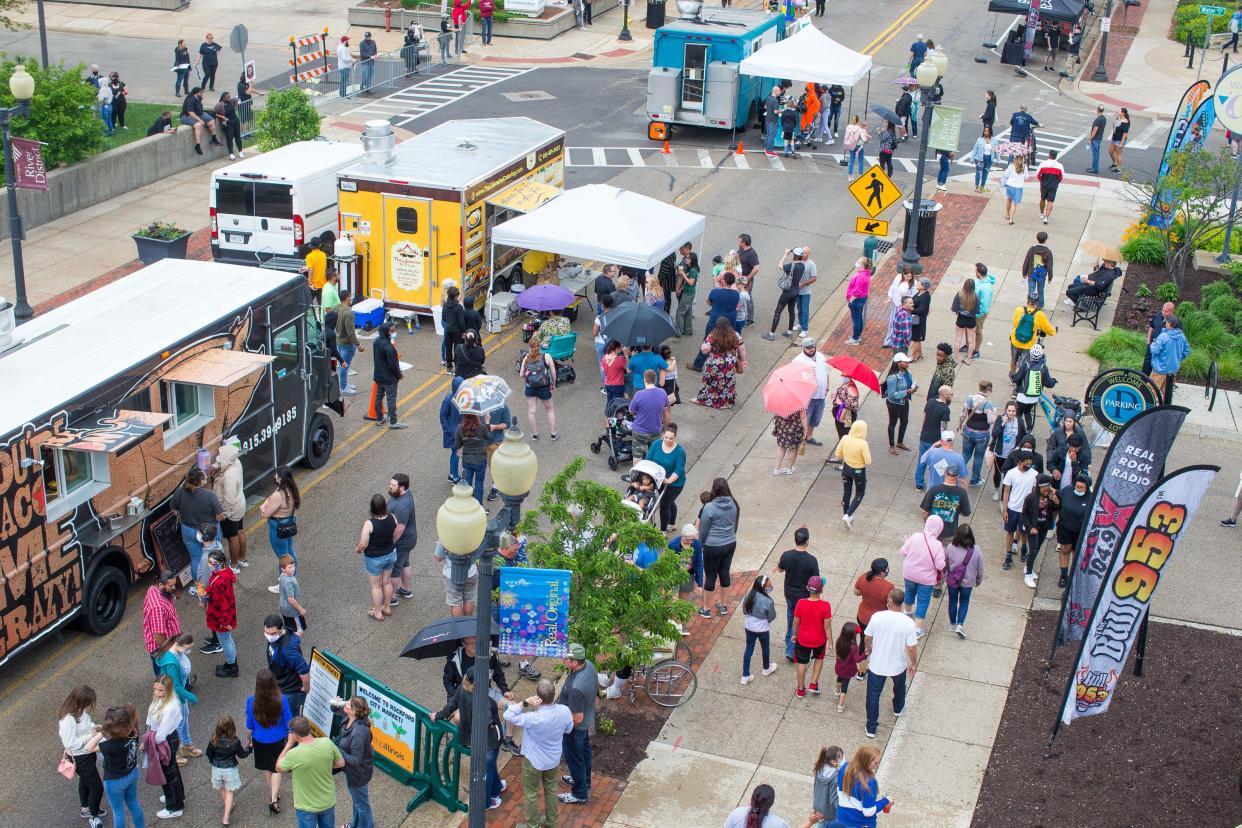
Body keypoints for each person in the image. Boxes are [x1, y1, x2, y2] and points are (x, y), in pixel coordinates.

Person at [504, 680, 574, 826]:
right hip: (553, 760)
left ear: (538, 697)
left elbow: (508, 715)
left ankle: (533, 826)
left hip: (533, 762)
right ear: (554, 695)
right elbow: (568, 729)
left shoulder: (532, 718)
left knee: (531, 794)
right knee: (551, 791)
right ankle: (551, 822)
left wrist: (525, 703)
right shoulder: (565, 711)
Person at [862, 588, 918, 739]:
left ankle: (871, 727)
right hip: (897, 664)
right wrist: (913, 663)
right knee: (899, 688)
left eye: (888, 599)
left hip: (877, 664)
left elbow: (867, 637)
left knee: (873, 696)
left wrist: (868, 648)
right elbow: (911, 648)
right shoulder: (908, 623)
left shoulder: (877, 617)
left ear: (891, 602)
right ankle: (898, 708)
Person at [276, 716, 345, 827]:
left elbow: (278, 767)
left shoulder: (294, 754)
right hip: (327, 801)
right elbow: (341, 763)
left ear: (295, 735)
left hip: (306, 807)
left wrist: (288, 744)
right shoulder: (327, 743)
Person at [87, 704, 143, 828]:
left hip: (115, 781)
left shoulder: (110, 746)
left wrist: (102, 732)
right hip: (132, 773)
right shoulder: (134, 732)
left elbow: (88, 747)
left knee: (118, 811)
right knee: (133, 802)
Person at [246, 669, 293, 815]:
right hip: (278, 740)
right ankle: (273, 798)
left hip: (259, 739)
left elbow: (249, 727)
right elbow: (289, 724)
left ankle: (273, 792)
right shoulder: (282, 699)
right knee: (277, 768)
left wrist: (249, 739)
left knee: (266, 767)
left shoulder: (251, 701)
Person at [170, 466, 223, 592]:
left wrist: (181, 517)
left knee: (196, 559)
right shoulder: (210, 495)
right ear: (201, 481)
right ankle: (217, 582)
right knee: (215, 556)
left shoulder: (180, 492)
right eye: (204, 477)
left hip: (188, 531)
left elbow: (173, 508)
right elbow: (219, 517)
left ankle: (199, 589)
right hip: (209, 531)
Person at [557, 643, 598, 805]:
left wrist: (564, 727)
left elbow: (577, 718)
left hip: (575, 728)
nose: (564, 659)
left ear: (575, 662)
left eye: (567, 658)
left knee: (575, 760)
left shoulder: (576, 688)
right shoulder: (589, 665)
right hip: (586, 722)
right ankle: (585, 780)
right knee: (585, 752)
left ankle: (579, 794)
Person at [59, 686, 105, 826]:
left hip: (87, 753)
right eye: (88, 702)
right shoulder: (69, 720)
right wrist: (89, 736)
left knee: (85, 781)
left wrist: (94, 727)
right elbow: (70, 744)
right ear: (81, 702)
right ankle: (94, 815)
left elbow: (86, 724)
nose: (90, 706)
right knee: (97, 788)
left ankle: (86, 809)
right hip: (80, 758)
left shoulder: (80, 712)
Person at [145, 675, 186, 819]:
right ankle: (178, 797)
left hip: (165, 739)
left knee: (168, 772)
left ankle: (174, 806)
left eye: (161, 690)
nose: (157, 693)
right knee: (172, 768)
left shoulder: (170, 707)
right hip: (165, 738)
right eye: (156, 689)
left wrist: (148, 742)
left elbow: (161, 736)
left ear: (167, 690)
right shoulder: (164, 700)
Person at [356, 494, 401, 621]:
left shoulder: (369, 523)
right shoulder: (392, 517)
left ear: (372, 508)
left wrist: (358, 549)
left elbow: (363, 543)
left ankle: (378, 612)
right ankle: (386, 607)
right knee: (386, 582)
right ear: (384, 506)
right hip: (390, 554)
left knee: (376, 586)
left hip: (375, 559)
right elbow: (395, 532)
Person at [777, 527, 820, 661]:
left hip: (789, 593)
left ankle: (788, 637)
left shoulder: (786, 555)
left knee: (791, 616)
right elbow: (816, 581)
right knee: (798, 622)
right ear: (807, 541)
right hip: (803, 596)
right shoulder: (811, 560)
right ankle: (790, 649)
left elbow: (780, 569)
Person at [699, 478, 740, 617]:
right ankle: (723, 606)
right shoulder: (734, 504)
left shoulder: (709, 507)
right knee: (724, 573)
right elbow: (735, 525)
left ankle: (706, 608)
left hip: (713, 545)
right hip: (730, 543)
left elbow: (704, 529)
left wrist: (702, 544)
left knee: (710, 576)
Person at [899, 516, 944, 637]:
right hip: (926, 579)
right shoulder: (938, 545)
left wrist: (907, 543)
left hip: (909, 573)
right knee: (923, 601)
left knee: (909, 592)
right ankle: (917, 629)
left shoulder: (915, 536)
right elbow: (940, 565)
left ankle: (907, 613)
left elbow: (903, 552)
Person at [791, 575, 833, 699]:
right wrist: (830, 642)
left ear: (808, 588)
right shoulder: (826, 605)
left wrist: (794, 634)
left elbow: (795, 622)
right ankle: (814, 684)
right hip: (819, 640)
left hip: (803, 639)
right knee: (819, 659)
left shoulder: (800, 603)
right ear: (821, 590)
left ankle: (800, 689)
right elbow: (827, 627)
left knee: (801, 664)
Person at [335, 696, 375, 828]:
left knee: (362, 805)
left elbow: (356, 760)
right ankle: (354, 824)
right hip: (352, 772)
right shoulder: (351, 717)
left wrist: (340, 752)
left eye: (348, 704)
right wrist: (334, 705)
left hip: (358, 774)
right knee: (357, 801)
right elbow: (336, 710)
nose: (345, 703)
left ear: (353, 711)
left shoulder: (358, 733)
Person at [205, 715, 250, 826]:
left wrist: (213, 761)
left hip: (216, 768)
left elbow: (208, 753)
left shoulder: (213, 739)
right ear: (232, 727)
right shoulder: (234, 741)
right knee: (230, 792)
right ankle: (226, 817)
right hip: (230, 769)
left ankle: (229, 804)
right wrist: (250, 747)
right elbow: (242, 754)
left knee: (222, 789)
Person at [261, 466, 300, 592]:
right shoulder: (290, 488)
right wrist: (268, 501)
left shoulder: (279, 494)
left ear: (280, 478)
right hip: (288, 523)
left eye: (276, 475)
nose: (274, 476)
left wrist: (262, 508)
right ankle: (292, 574)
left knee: (283, 557)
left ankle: (284, 584)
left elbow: (266, 514)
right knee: (289, 551)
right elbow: (272, 496)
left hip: (277, 527)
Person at [694, 317, 747, 409]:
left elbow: (704, 349)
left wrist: (704, 347)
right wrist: (743, 360)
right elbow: (742, 349)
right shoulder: (736, 335)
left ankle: (704, 399)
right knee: (727, 383)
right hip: (729, 365)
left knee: (709, 382)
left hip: (713, 364)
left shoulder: (712, 335)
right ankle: (726, 403)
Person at [264, 615, 311, 715]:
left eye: (272, 633)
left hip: (288, 690)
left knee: (291, 719)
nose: (269, 636)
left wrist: (306, 688)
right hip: (279, 683)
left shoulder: (288, 649)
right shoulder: (279, 635)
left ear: (281, 629)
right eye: (266, 632)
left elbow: (304, 670)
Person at [203, 550, 239, 678]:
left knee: (225, 641)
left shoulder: (220, 580)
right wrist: (206, 591)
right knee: (228, 639)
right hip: (224, 615)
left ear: (221, 563)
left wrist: (224, 622)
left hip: (220, 617)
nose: (211, 564)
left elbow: (223, 605)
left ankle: (232, 666)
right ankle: (232, 662)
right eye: (209, 562)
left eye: (214, 563)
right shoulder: (223, 573)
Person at [1001, 451, 1039, 571]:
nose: (1028, 465)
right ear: (1020, 462)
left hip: (1026, 510)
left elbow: (1035, 492)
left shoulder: (1034, 474)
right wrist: (1005, 509)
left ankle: (1023, 547)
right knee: (1010, 532)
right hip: (1012, 508)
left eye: (1030, 463)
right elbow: (1006, 491)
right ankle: (1008, 555)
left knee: (1024, 532)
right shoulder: (1011, 473)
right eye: (1026, 463)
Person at [738, 573, 779, 684]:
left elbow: (744, 610)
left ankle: (745, 675)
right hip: (762, 629)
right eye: (769, 585)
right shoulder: (768, 601)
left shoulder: (748, 595)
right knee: (765, 648)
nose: (770, 587)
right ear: (763, 587)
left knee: (749, 649)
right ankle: (766, 668)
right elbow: (772, 616)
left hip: (749, 627)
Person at [1021, 474, 1061, 588]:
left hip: (1044, 526)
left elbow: (1057, 509)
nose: (1046, 490)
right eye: (1044, 487)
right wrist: (1030, 527)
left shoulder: (1050, 497)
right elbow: (1024, 515)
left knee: (1037, 548)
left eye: (1048, 487)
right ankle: (1028, 574)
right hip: (1033, 527)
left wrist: (1056, 501)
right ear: (1038, 487)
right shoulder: (1030, 498)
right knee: (1033, 549)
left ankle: (1029, 566)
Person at [835, 744, 891, 825]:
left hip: (841, 819)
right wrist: (886, 800)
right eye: (875, 763)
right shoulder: (870, 782)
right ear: (866, 761)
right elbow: (868, 812)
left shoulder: (844, 768)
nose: (877, 765)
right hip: (862, 823)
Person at [645, 423, 687, 531]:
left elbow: (678, 470)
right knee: (670, 502)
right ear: (663, 435)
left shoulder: (679, 451)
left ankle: (662, 530)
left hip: (674, 483)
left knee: (664, 504)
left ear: (675, 437)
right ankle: (672, 524)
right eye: (666, 437)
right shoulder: (656, 444)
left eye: (671, 438)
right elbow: (649, 459)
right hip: (659, 479)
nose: (668, 440)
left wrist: (668, 481)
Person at [628, 369, 671, 468]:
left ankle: (636, 478)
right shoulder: (662, 393)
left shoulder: (639, 394)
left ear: (645, 380)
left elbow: (631, 411)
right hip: (655, 430)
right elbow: (666, 410)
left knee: (637, 455)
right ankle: (651, 475)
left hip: (639, 431)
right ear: (655, 380)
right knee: (653, 455)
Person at [1055, 473, 1092, 587]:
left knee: (1077, 554)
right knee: (1065, 550)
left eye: (1081, 488)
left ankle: (1074, 576)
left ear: (1087, 488)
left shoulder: (1092, 498)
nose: (1078, 489)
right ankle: (1064, 575)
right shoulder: (1067, 491)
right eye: (1077, 486)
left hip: (1081, 532)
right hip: (1065, 528)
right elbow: (1056, 495)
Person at [142, 571, 181, 676]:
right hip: (161, 647)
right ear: (160, 584)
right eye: (171, 585)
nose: (174, 587)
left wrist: (174, 592)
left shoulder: (154, 589)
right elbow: (158, 635)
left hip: (168, 641)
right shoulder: (157, 607)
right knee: (165, 677)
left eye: (174, 584)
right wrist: (168, 651)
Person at [958, 381, 996, 487]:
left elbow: (963, 415)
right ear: (987, 390)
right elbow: (990, 421)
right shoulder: (988, 404)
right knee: (978, 457)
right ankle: (975, 479)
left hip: (968, 430)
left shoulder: (969, 398)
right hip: (982, 434)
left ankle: (956, 473)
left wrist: (960, 424)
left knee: (965, 454)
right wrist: (995, 415)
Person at [762, 247, 806, 341]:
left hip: (787, 292)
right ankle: (789, 332)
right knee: (791, 311)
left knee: (778, 312)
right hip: (795, 291)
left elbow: (780, 266)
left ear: (795, 256)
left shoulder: (792, 266)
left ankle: (771, 334)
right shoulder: (802, 265)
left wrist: (785, 255)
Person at [1011, 342, 1056, 431]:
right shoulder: (1043, 367)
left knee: (1019, 414)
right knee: (1028, 412)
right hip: (1034, 397)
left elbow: (1016, 379)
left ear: (1030, 353)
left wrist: (1013, 376)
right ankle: (1029, 431)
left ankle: (1018, 430)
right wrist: (1054, 381)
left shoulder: (1025, 366)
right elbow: (1048, 384)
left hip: (1022, 396)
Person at [519, 336, 558, 440]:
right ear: (539, 346)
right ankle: (553, 434)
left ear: (529, 346)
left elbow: (521, 374)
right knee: (549, 410)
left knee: (532, 411)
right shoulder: (546, 356)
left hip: (530, 387)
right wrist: (553, 383)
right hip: (544, 387)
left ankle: (534, 434)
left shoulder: (526, 358)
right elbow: (553, 373)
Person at [915, 387, 953, 491]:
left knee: (922, 461)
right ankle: (939, 484)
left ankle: (919, 483)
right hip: (936, 441)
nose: (951, 396)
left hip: (924, 437)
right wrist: (943, 441)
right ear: (944, 395)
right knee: (939, 464)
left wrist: (921, 431)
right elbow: (943, 427)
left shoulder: (930, 402)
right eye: (950, 394)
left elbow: (924, 415)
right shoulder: (945, 409)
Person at [387, 473, 417, 602]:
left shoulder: (402, 506)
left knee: (395, 569)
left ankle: (392, 597)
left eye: (393, 485)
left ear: (402, 487)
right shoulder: (405, 494)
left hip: (402, 541)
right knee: (404, 562)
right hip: (408, 539)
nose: (390, 487)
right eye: (391, 483)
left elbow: (400, 529)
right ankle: (405, 589)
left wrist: (390, 543)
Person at [921, 464, 972, 541]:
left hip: (932, 533)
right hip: (950, 534)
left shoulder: (934, 490)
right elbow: (966, 513)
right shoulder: (961, 493)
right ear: (957, 476)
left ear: (944, 473)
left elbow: (924, 511)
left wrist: (927, 524)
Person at [835, 421, 871, 529]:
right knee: (860, 493)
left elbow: (837, 454)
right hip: (858, 471)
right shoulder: (863, 443)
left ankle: (846, 514)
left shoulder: (845, 438)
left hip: (846, 469)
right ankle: (848, 515)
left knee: (847, 493)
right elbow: (868, 461)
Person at [372, 322, 408, 429]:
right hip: (389, 378)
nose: (394, 332)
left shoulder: (376, 342)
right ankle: (393, 421)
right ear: (387, 332)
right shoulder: (389, 348)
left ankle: (379, 418)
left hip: (378, 375)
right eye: (392, 331)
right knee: (391, 399)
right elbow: (393, 365)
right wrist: (399, 375)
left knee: (378, 397)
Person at [1009, 297, 1056, 374]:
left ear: (1027, 301)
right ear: (1037, 303)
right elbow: (1048, 329)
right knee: (1024, 364)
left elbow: (1015, 324)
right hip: (1028, 343)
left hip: (1015, 341)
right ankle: (1020, 378)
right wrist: (1054, 332)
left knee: (1013, 360)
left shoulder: (1019, 310)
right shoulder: (1039, 314)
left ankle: (1012, 376)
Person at [1149, 315, 1190, 401]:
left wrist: (1153, 343)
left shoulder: (1163, 336)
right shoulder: (1182, 336)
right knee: (1167, 392)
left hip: (1160, 368)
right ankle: (1166, 409)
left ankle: (1149, 409)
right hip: (1173, 369)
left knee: (1151, 391)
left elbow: (1154, 350)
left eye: (1166, 322)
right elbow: (1186, 350)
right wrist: (1177, 358)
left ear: (1169, 324)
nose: (1165, 323)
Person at [881, 354, 916, 455]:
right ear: (898, 363)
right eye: (905, 361)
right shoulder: (892, 377)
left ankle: (900, 442)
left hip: (904, 401)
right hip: (894, 404)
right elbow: (891, 395)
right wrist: (907, 392)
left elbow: (907, 385)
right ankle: (891, 446)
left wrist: (913, 388)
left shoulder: (907, 373)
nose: (908, 363)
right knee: (893, 424)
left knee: (904, 421)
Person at [334, 289, 360, 396]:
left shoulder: (336, 308)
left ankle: (344, 384)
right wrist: (358, 345)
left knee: (342, 364)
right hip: (347, 343)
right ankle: (343, 387)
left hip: (338, 340)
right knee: (344, 365)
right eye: (350, 296)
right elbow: (351, 333)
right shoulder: (348, 313)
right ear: (347, 298)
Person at [882, 268, 916, 348]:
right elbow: (892, 288)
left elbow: (913, 296)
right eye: (906, 276)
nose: (908, 278)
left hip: (904, 307)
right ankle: (888, 341)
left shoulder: (913, 284)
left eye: (910, 276)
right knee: (892, 323)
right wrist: (890, 297)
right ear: (903, 274)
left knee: (902, 325)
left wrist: (909, 305)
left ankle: (899, 341)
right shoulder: (898, 278)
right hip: (895, 304)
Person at [180, 86, 219, 155]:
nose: (202, 94)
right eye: (200, 93)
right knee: (198, 125)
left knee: (211, 121)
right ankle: (197, 145)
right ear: (196, 93)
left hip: (199, 113)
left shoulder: (198, 98)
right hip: (186, 116)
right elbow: (190, 112)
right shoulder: (191, 99)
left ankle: (214, 139)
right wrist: (199, 120)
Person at [1021, 231, 1055, 309]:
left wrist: (1024, 272)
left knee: (1031, 290)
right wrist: (1050, 277)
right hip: (1041, 275)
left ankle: (1031, 305)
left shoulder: (1032, 249)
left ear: (1037, 239)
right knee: (1040, 290)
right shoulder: (1048, 252)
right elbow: (1050, 266)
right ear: (1045, 240)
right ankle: (1040, 305)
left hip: (1032, 273)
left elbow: (1026, 261)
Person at [772, 406, 808, 476]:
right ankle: (789, 469)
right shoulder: (800, 402)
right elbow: (803, 416)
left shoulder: (781, 398)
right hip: (794, 427)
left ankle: (777, 469)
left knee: (781, 447)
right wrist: (806, 430)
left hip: (782, 425)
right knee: (793, 448)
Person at [812, 747, 844, 825]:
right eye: (841, 758)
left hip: (818, 808)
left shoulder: (819, 768)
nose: (843, 760)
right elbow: (835, 799)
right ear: (833, 762)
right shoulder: (836, 777)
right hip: (830, 813)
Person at [844, 257, 872, 345]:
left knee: (856, 319)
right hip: (862, 299)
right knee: (859, 318)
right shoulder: (866, 274)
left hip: (856, 301)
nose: (857, 263)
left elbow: (857, 292)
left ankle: (855, 338)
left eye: (859, 262)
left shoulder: (859, 276)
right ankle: (857, 335)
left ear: (862, 265)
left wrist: (850, 301)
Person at [277, 555, 306, 634]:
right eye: (290, 567)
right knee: (299, 629)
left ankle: (288, 640)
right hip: (292, 610)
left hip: (284, 607)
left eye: (293, 566)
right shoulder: (289, 581)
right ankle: (292, 645)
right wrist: (300, 609)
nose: (293, 569)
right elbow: (291, 599)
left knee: (290, 627)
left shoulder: (283, 575)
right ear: (283, 569)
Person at [675, 243, 699, 336]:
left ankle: (678, 332)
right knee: (688, 312)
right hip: (687, 292)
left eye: (688, 258)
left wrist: (683, 274)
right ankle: (688, 330)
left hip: (689, 294)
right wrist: (680, 288)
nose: (686, 259)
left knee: (679, 312)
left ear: (692, 260)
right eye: (686, 258)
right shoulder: (690, 269)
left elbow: (690, 282)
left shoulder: (693, 270)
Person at [951, 281, 979, 364]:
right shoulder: (975, 296)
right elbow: (977, 311)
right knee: (971, 341)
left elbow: (953, 308)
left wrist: (961, 311)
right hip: (971, 320)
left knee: (958, 340)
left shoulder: (959, 295)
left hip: (961, 319)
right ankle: (969, 359)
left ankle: (956, 359)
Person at [973, 263, 996, 360]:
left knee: (978, 331)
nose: (974, 272)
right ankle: (967, 345)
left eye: (975, 271)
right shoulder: (978, 281)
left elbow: (984, 304)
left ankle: (976, 350)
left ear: (978, 273)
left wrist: (978, 314)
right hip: (974, 310)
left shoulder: (986, 287)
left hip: (979, 313)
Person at [1036, 150, 1064, 225]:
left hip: (1044, 184)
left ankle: (1042, 213)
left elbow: (1038, 175)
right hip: (1053, 185)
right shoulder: (1060, 166)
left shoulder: (1043, 164)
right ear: (1056, 156)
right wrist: (1056, 182)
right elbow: (1061, 177)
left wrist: (1041, 181)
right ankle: (1046, 217)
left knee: (1042, 199)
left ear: (1049, 155)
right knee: (1050, 202)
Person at [213, 91, 243, 159]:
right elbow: (214, 113)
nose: (229, 98)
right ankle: (231, 154)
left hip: (235, 120)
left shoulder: (231, 101)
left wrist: (238, 101)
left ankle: (240, 151)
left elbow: (237, 100)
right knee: (229, 138)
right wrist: (222, 117)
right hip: (227, 122)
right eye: (227, 97)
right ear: (223, 98)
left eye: (229, 97)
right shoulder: (219, 105)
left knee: (238, 136)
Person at [909, 278, 931, 361]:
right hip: (915, 319)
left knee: (916, 339)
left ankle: (913, 356)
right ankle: (920, 354)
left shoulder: (925, 296)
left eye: (919, 283)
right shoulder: (919, 293)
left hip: (919, 321)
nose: (917, 284)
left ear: (923, 286)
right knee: (916, 338)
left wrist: (911, 310)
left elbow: (922, 310)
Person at [1001, 153, 1026, 225]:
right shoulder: (1024, 167)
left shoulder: (1011, 166)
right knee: (1014, 203)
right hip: (1018, 187)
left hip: (1010, 185)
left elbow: (1006, 174)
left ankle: (1007, 214)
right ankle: (1011, 219)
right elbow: (1026, 177)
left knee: (1009, 200)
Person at [969, 125, 994, 193]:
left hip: (989, 159)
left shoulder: (994, 140)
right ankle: (977, 187)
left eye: (987, 131)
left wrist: (998, 159)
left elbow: (996, 150)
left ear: (990, 132)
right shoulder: (980, 139)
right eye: (984, 131)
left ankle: (982, 187)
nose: (985, 132)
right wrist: (972, 158)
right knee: (979, 172)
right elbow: (975, 149)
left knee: (985, 173)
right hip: (980, 158)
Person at [762, 85, 782, 156]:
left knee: (767, 134)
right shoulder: (775, 100)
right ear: (776, 91)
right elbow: (776, 111)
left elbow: (765, 106)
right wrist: (781, 111)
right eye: (779, 91)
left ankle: (765, 148)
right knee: (771, 135)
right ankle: (769, 150)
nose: (780, 92)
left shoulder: (768, 97)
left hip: (768, 119)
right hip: (773, 120)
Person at [1108, 107, 1130, 172]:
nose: (1118, 112)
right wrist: (1113, 130)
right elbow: (1114, 125)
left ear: (1123, 113)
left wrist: (1121, 143)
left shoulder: (1126, 122)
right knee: (1110, 151)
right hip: (1114, 138)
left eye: (1120, 111)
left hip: (1120, 140)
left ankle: (1119, 168)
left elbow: (1125, 133)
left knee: (1118, 154)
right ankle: (1115, 163)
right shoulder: (1118, 118)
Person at [336, 35, 355, 99]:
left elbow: (346, 57)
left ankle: (342, 93)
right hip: (345, 66)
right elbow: (345, 58)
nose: (348, 42)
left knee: (343, 80)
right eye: (347, 41)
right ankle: (343, 94)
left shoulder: (340, 47)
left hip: (343, 66)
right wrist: (352, 60)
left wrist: (350, 58)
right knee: (344, 81)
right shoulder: (343, 48)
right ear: (345, 41)